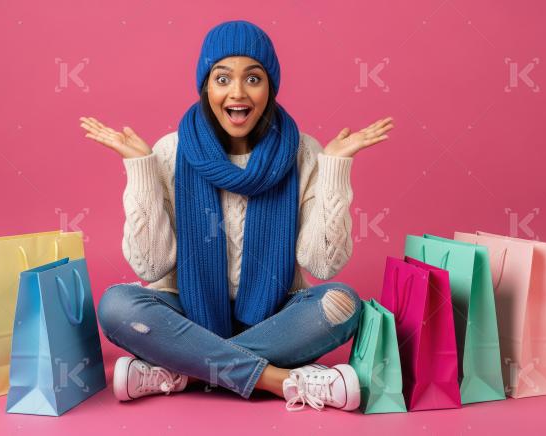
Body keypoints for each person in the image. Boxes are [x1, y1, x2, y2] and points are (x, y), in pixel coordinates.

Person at [80, 20, 393, 412]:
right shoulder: (171, 150)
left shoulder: (304, 152)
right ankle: (279, 380)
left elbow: (322, 265)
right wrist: (141, 168)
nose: (238, 92)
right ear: (206, 87)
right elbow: (151, 265)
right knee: (116, 306)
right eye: (223, 78)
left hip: (275, 316)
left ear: (270, 87)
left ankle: (182, 371)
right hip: (185, 310)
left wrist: (335, 168)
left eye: (253, 78)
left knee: (342, 304)